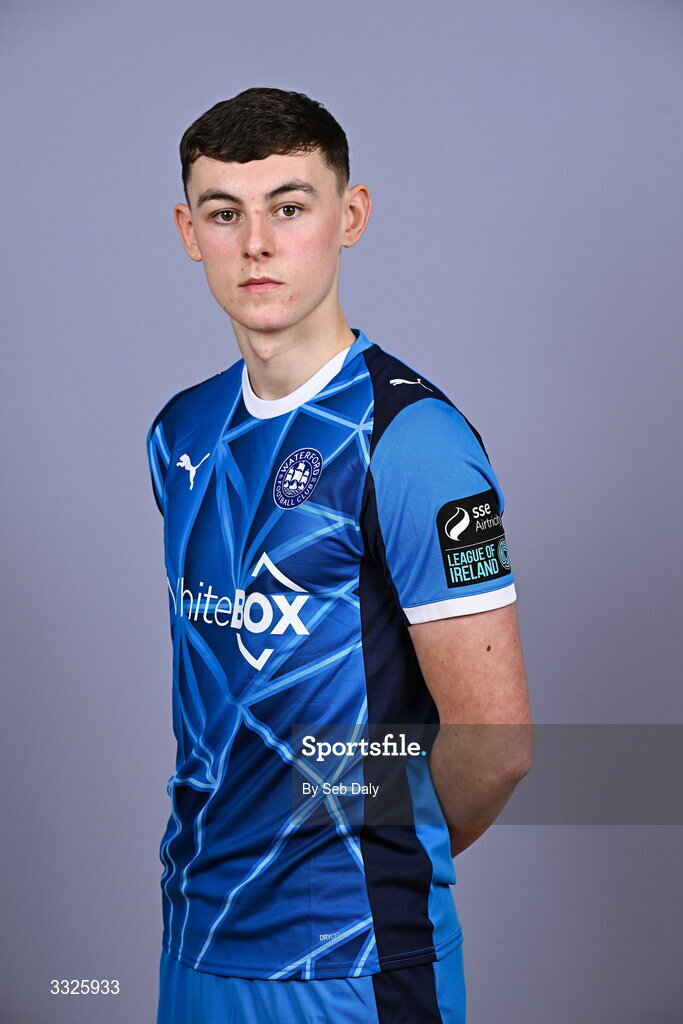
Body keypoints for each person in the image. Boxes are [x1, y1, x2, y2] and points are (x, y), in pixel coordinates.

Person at [146, 86, 533, 1024]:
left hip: (349, 960)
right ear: (189, 232)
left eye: (289, 207)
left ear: (348, 216)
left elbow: (495, 744)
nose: (257, 244)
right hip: (193, 940)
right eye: (224, 214)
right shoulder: (180, 432)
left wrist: (373, 843)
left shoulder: (415, 443)